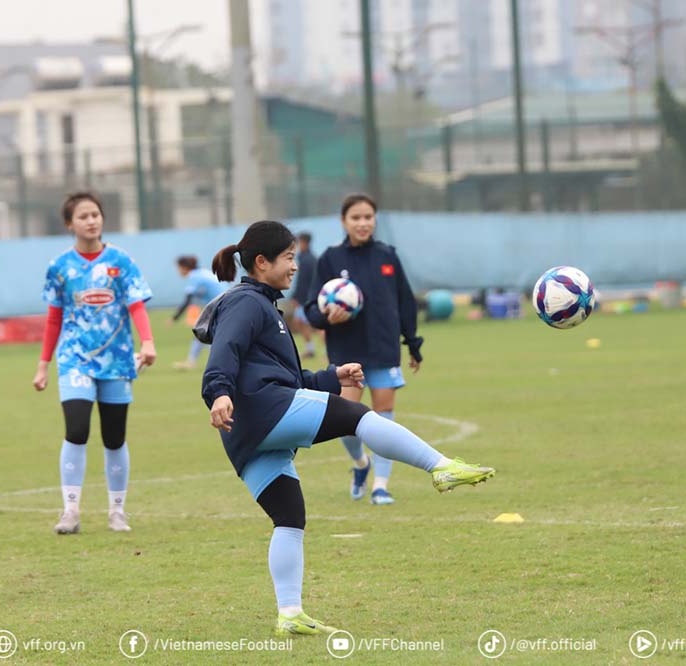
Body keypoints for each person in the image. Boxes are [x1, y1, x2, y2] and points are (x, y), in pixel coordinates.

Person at [202, 220, 494, 636]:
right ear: (262, 262)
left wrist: (333, 374)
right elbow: (225, 350)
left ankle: (290, 612)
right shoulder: (247, 303)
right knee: (356, 417)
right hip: (262, 409)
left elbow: (290, 377)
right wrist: (218, 392)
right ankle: (440, 465)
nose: (294, 267)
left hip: (247, 431)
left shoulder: (265, 306)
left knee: (289, 517)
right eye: (288, 258)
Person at [32, 192, 157, 534]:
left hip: (116, 360)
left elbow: (136, 306)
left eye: (96, 214)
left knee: (114, 437)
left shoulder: (121, 261)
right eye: (84, 216)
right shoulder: (60, 267)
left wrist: (147, 341)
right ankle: (70, 511)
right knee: (76, 429)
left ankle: (117, 511)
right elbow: (54, 319)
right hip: (74, 360)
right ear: (69, 223)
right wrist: (43, 364)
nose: (91, 220)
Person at [303, 194, 422, 505]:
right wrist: (328, 316)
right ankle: (360, 464)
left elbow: (405, 302)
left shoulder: (387, 256)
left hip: (383, 350)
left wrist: (412, 343)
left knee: (383, 419)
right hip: (346, 354)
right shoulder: (329, 259)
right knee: (347, 422)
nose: (363, 223)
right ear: (344, 222)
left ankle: (381, 486)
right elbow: (311, 309)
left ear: (375, 220)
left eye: (368, 217)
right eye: (356, 217)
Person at [169, 255, 228, 370]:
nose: (178, 271)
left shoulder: (194, 276)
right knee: (204, 332)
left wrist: (174, 317)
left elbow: (187, 300)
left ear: (184, 267)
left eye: (179, 268)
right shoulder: (202, 272)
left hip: (220, 304)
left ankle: (218, 362)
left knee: (209, 333)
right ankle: (192, 361)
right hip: (225, 301)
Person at [287, 232, 321, 359]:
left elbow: (303, 282)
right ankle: (310, 349)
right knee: (301, 322)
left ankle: (324, 351)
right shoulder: (309, 258)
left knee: (317, 325)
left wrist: (296, 297)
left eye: (298, 243)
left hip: (307, 298)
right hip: (310, 297)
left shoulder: (307, 260)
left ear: (304, 242)